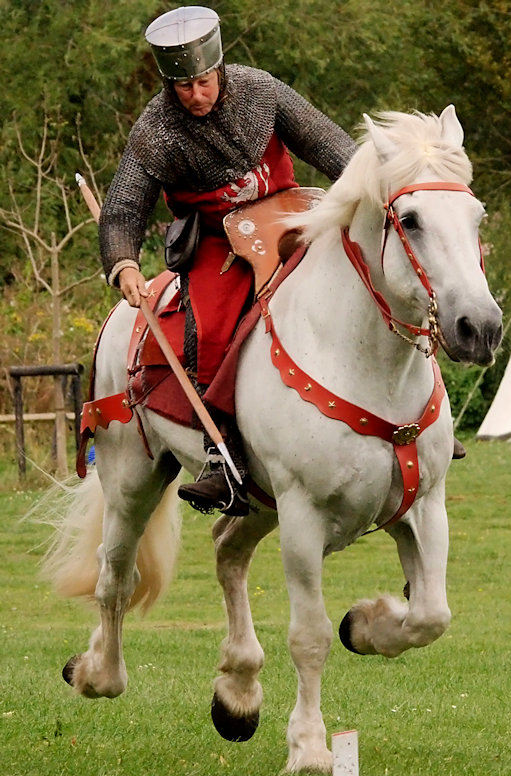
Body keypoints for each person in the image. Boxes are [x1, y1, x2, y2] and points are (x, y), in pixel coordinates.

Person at [99, 6, 357, 516]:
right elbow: (124, 207)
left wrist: (372, 194)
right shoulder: (156, 131)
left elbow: (333, 148)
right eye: (183, 87)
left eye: (203, 81)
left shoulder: (261, 90)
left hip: (294, 221)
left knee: (377, 280)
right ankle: (222, 455)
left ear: (218, 67)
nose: (196, 94)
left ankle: (420, 424)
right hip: (218, 245)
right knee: (212, 330)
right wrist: (125, 263)